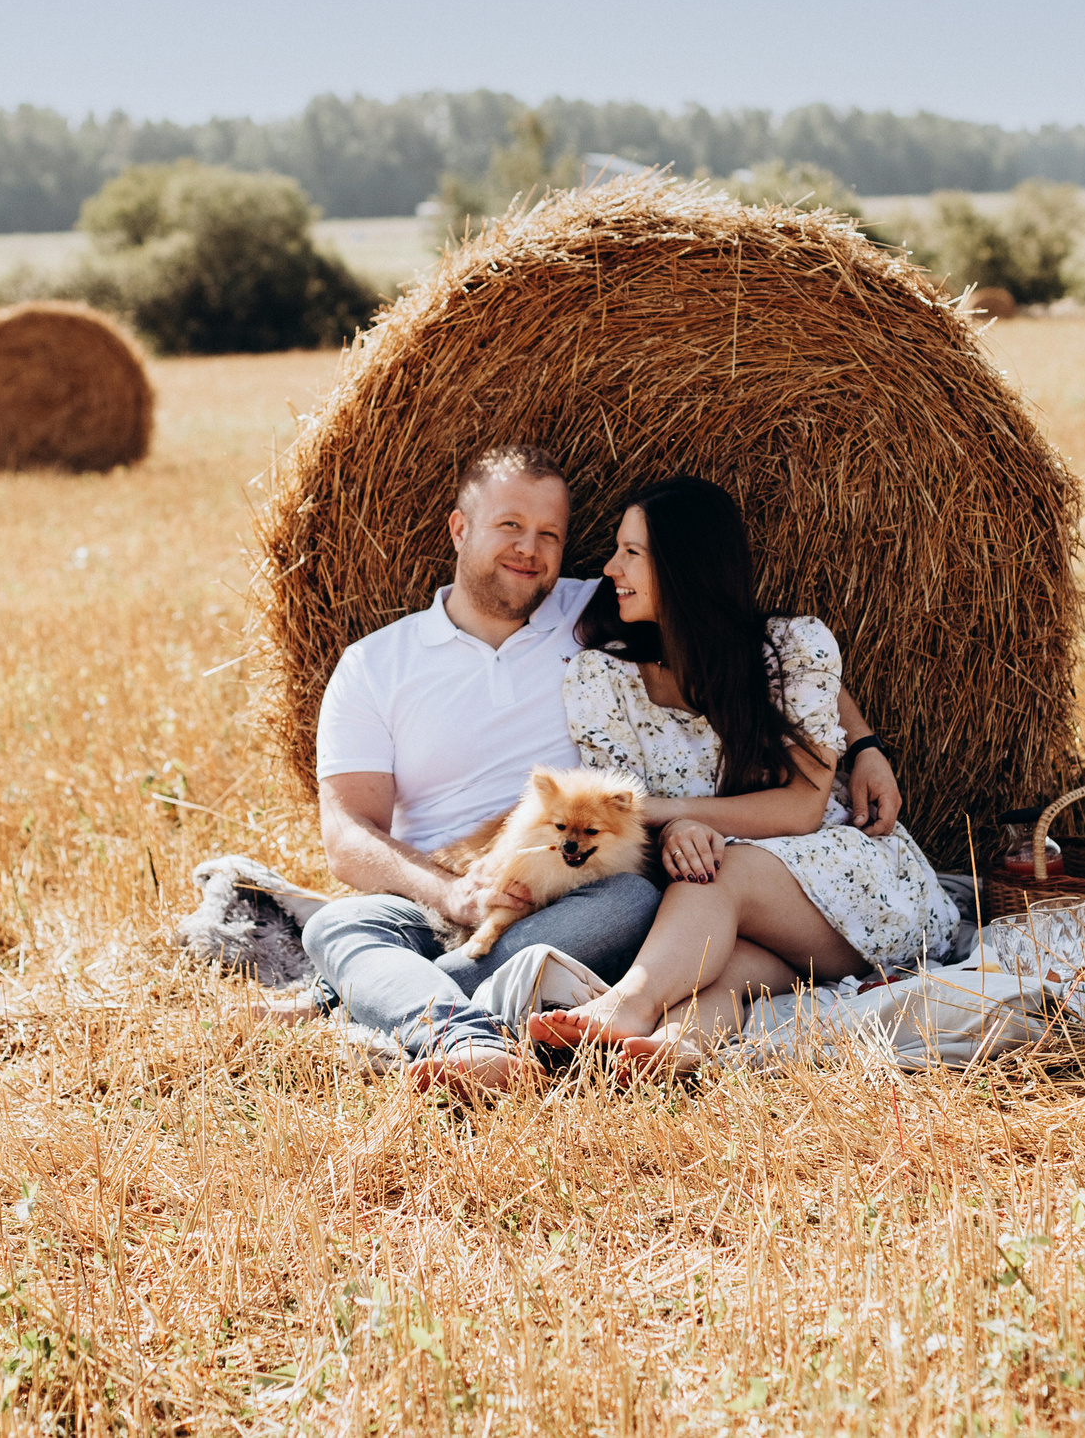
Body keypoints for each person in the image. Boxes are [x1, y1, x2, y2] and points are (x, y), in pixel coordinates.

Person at [292, 444, 906, 1097]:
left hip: (577, 888)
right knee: (335, 923)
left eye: (550, 534)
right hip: (443, 892)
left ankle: (389, 995)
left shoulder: (590, 614)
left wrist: (866, 742)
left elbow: (744, 641)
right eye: (510, 525)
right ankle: (463, 1029)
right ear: (458, 527)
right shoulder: (374, 663)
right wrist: (451, 893)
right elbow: (346, 835)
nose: (530, 548)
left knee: (636, 899)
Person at [528, 474, 962, 1078]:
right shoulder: (602, 680)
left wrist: (673, 816)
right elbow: (613, 821)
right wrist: (676, 829)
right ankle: (675, 1044)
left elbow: (800, 809)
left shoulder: (791, 649)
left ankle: (628, 1004)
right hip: (738, 915)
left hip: (844, 882)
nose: (608, 568)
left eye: (631, 553)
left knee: (716, 871)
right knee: (731, 948)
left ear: (686, 567)